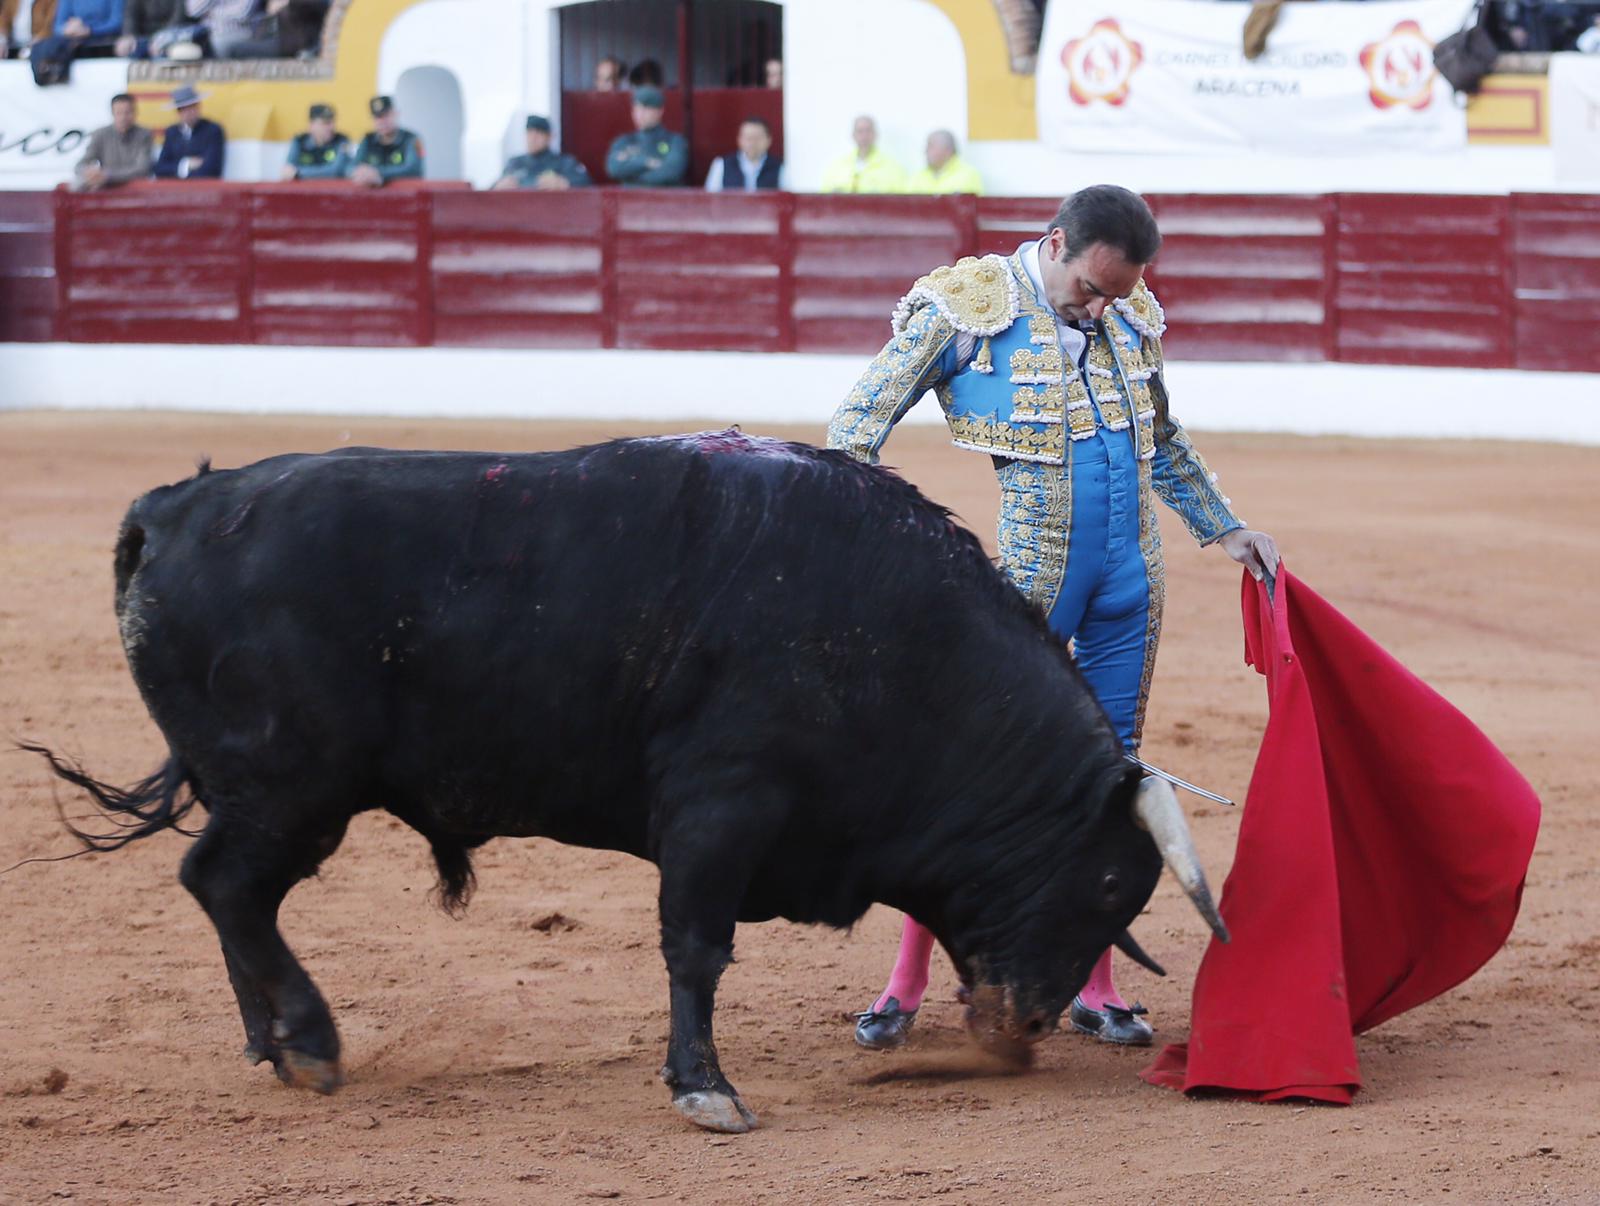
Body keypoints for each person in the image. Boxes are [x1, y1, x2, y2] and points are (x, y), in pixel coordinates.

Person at [827, 185, 1280, 1051]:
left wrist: (1224, 527)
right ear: (1057, 242)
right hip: (1030, 586)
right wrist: (867, 542)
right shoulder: (967, 307)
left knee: (1109, 787)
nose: (1107, 306)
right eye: (1094, 288)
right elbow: (857, 424)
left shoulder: (1130, 310)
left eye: (1122, 292)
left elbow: (1165, 439)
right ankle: (907, 980)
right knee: (964, 778)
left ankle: (1096, 987)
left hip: (1129, 586)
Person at [604, 85, 688, 187]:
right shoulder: (624, 141)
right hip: (631, 201)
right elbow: (614, 168)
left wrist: (630, 176)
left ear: (660, 111)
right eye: (637, 109)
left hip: (663, 201)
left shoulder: (674, 141)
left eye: (646, 108)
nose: (640, 114)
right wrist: (648, 162)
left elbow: (671, 172)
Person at [74, 91, 153, 190]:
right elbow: (79, 166)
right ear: (112, 113)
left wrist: (107, 176)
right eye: (119, 113)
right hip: (106, 188)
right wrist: (89, 173)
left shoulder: (144, 135)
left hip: (135, 189)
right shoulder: (100, 134)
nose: (123, 117)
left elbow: (143, 169)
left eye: (127, 112)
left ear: (135, 113)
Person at [28, 0, 120, 85]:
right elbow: (58, 26)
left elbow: (117, 22)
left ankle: (57, 71)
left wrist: (89, 30)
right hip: (72, 37)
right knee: (41, 46)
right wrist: (67, 29)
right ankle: (44, 72)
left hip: (102, 40)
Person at [492, 115, 591, 190]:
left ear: (550, 137)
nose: (533, 138)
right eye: (529, 133)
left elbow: (586, 184)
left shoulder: (564, 162)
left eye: (538, 133)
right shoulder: (515, 163)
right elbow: (491, 188)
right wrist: (499, 186)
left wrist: (564, 183)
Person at [152, 84, 225, 178]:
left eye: (192, 107)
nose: (189, 112)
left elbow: (211, 168)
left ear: (198, 107)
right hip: (175, 190)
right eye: (184, 109)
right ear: (178, 112)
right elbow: (160, 168)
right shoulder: (172, 132)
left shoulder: (212, 130)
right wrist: (186, 164)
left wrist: (176, 170)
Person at [819, 115, 906, 194]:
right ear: (853, 135)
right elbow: (824, 199)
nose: (864, 136)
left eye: (868, 131)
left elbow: (900, 201)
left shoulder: (892, 167)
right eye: (860, 131)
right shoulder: (836, 167)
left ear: (875, 134)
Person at [349, 95, 423, 187]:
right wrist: (361, 173)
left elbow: (414, 170)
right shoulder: (367, 140)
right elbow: (350, 168)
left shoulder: (412, 139)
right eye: (377, 117)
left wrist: (378, 173)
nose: (381, 121)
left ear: (396, 114)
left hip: (405, 198)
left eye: (386, 115)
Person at [703, 116, 783, 192]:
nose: (752, 142)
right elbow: (711, 199)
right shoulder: (721, 164)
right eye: (748, 138)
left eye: (757, 137)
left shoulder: (781, 167)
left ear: (769, 140)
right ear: (739, 139)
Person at [279, 102, 349, 180]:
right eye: (325, 123)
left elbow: (336, 170)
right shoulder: (299, 141)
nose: (331, 127)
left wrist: (298, 173)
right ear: (311, 125)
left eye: (332, 122)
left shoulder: (341, 140)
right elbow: (288, 171)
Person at [907, 129, 983, 195]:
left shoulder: (968, 175)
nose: (925, 151)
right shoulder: (918, 176)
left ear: (948, 150)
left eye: (931, 146)